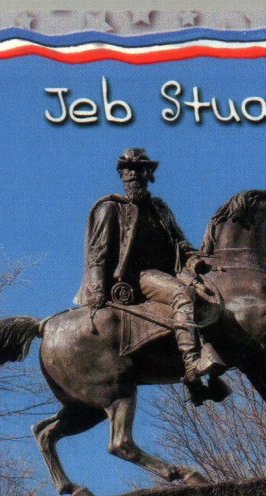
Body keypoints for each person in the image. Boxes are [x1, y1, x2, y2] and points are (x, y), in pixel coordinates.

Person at [74, 148, 227, 395]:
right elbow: (97, 253)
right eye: (128, 170)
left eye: (139, 170)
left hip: (170, 273)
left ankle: (204, 377)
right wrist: (98, 289)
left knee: (210, 297)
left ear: (149, 175)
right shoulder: (111, 207)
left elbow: (181, 243)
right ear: (122, 175)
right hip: (136, 277)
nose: (134, 175)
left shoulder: (160, 209)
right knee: (182, 295)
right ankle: (191, 363)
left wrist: (196, 259)